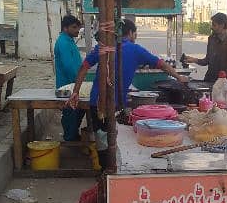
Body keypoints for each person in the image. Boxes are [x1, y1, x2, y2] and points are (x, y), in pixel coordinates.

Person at [67, 18, 188, 168]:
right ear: (130, 33)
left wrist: (75, 92)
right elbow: (161, 64)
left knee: (102, 139)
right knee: (114, 139)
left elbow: (83, 67)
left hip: (96, 102)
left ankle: (105, 170)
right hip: (113, 104)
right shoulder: (135, 49)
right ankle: (111, 172)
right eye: (135, 33)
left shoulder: (104, 47)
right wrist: (179, 77)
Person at [184, 12, 227, 85]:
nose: (211, 27)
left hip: (222, 83)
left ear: (222, 25)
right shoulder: (212, 39)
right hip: (209, 79)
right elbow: (207, 60)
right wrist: (193, 60)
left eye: (214, 25)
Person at [54, 14, 85, 141]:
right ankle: (69, 136)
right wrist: (79, 83)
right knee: (71, 111)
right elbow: (68, 67)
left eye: (78, 27)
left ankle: (72, 134)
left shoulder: (68, 40)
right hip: (66, 87)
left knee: (78, 109)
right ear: (65, 28)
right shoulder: (63, 43)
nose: (77, 30)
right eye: (74, 27)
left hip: (72, 84)